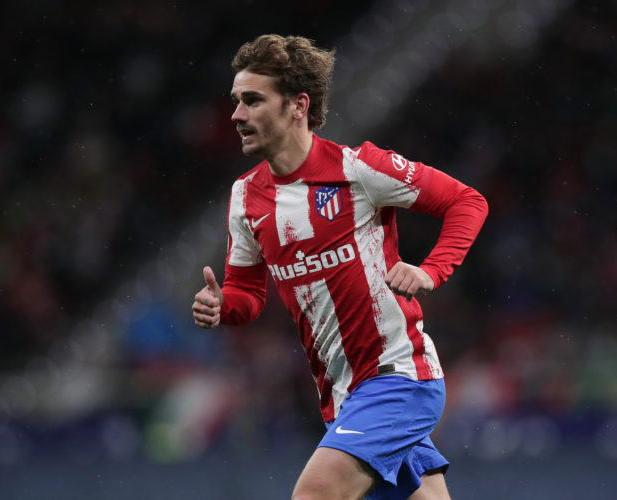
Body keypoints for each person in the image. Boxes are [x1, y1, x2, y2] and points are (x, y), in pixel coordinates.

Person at [192, 34, 488, 500]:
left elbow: (466, 202)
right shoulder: (244, 198)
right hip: (344, 399)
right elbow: (247, 296)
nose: (237, 115)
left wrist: (431, 271)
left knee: (315, 494)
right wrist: (221, 305)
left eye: (252, 100)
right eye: (235, 101)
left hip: (397, 380)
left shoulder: (359, 169)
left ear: (297, 105)